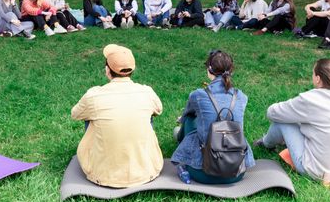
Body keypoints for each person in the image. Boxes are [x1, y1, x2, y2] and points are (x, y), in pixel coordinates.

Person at [254, 58, 330, 183]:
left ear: (317, 78)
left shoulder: (310, 99)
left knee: (283, 121)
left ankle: (265, 143)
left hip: (321, 173)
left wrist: (294, 111)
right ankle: (269, 142)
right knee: (302, 121)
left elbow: (272, 113)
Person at [71, 44, 164, 187]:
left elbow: (75, 114)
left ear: (107, 70)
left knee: (89, 116)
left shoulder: (94, 95)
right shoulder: (147, 92)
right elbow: (159, 110)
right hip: (146, 172)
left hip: (103, 175)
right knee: (148, 115)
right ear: (132, 70)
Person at [172, 50, 255, 184]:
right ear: (231, 71)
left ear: (209, 70)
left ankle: (179, 138)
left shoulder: (198, 95)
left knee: (189, 119)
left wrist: (182, 118)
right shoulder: (241, 96)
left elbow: (188, 114)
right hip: (237, 172)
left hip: (202, 172)